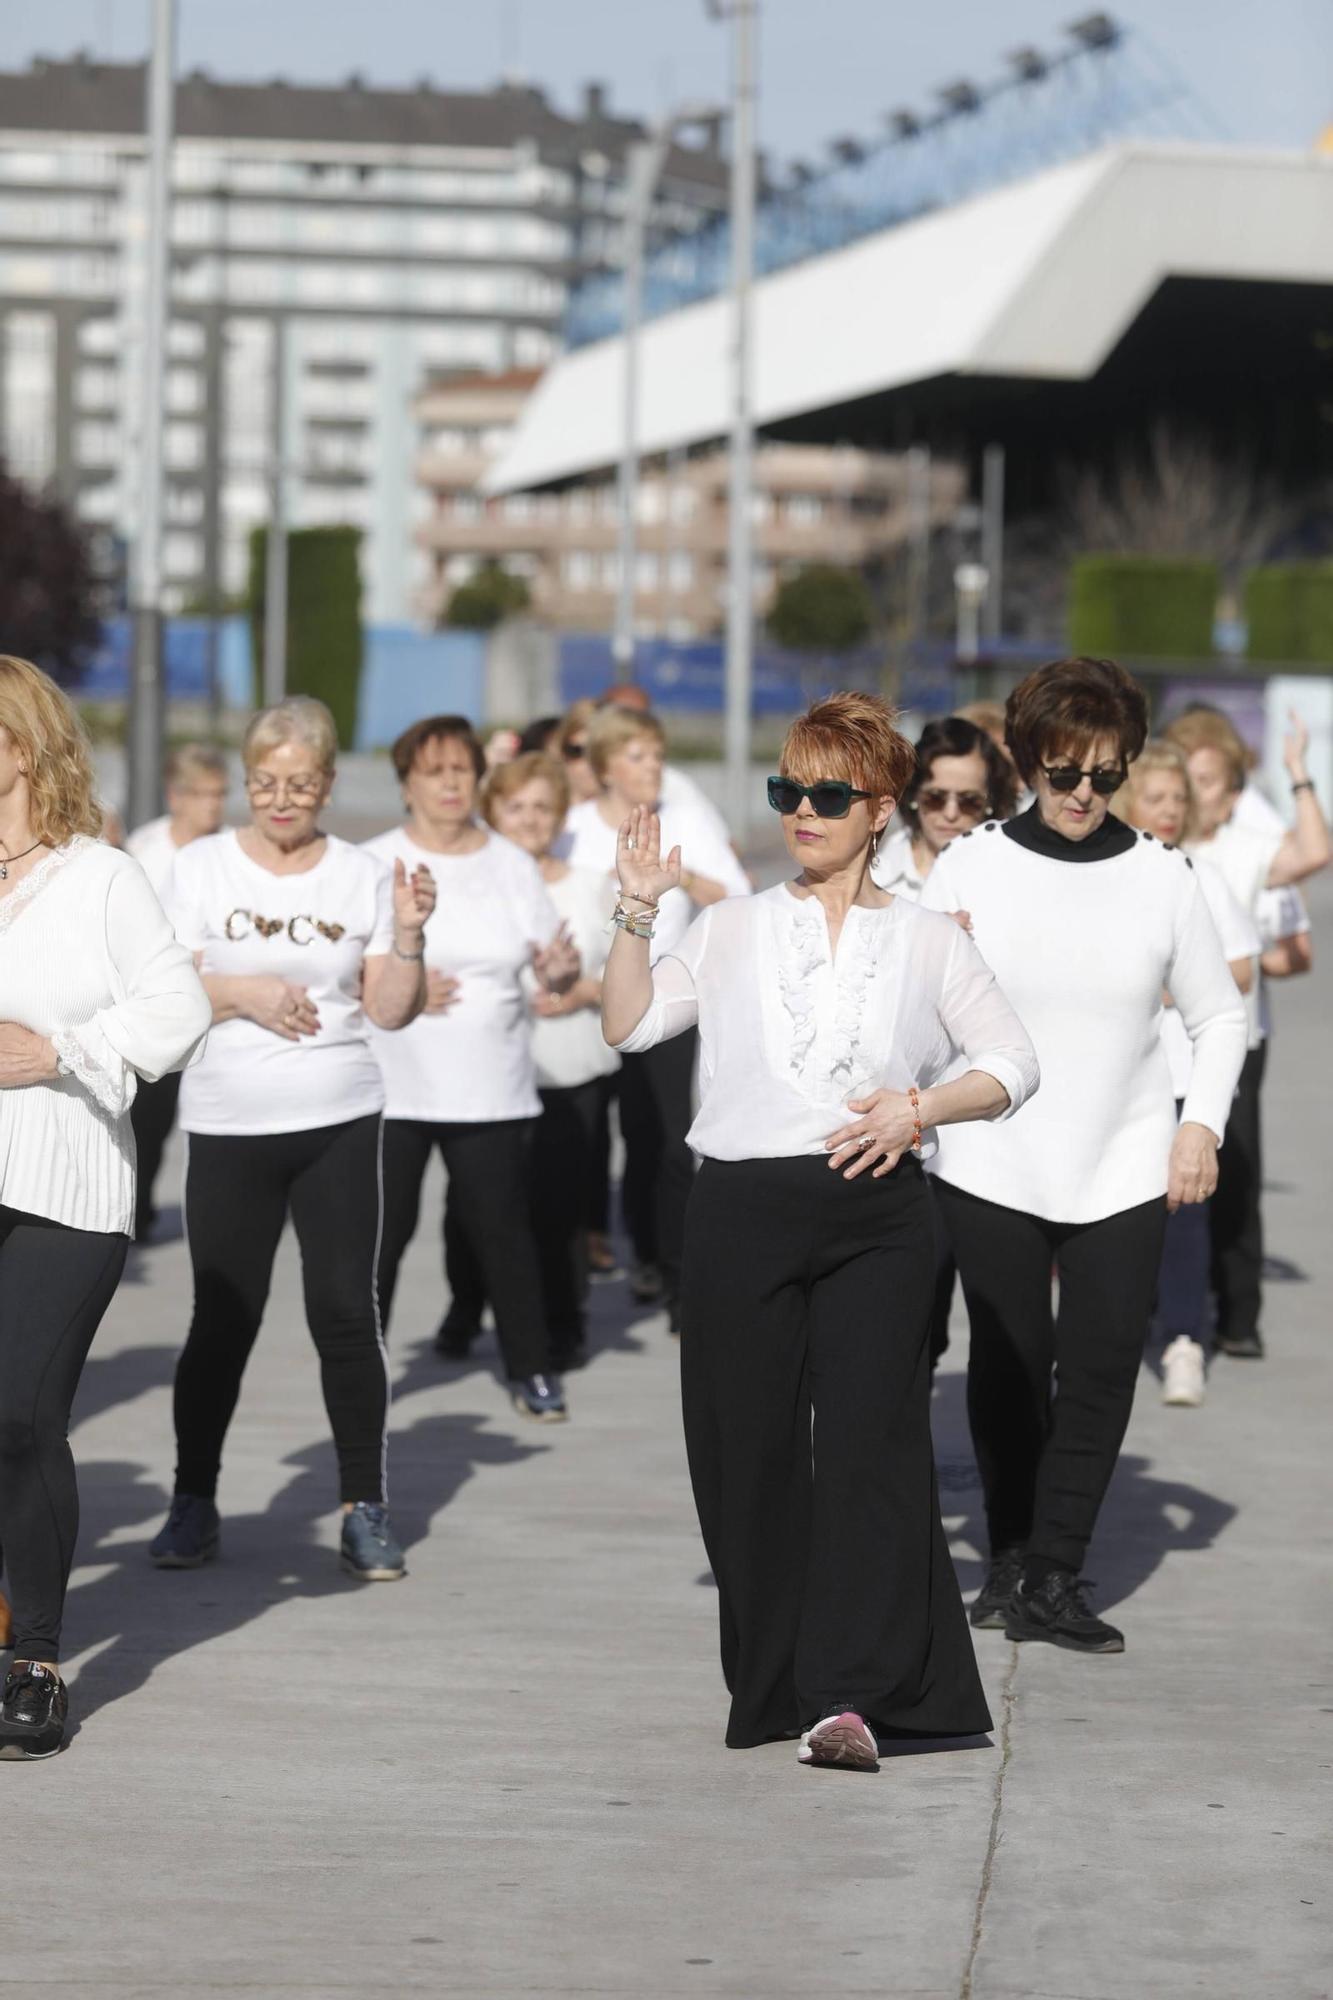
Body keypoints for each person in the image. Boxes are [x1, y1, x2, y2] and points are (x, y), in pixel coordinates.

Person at [603, 691, 1040, 1769]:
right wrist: (633, 910)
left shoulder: (931, 938)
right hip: (742, 1210)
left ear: (879, 807)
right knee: (742, 1456)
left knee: (867, 1452)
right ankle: (780, 1680)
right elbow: (628, 1022)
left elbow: (1012, 1063)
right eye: (786, 790)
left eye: (826, 793)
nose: (802, 809)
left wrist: (918, 1107)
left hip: (877, 1214)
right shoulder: (733, 924)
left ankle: (849, 1693)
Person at [921, 658, 1248, 1654]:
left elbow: (1219, 1010)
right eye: (1064, 772)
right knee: (1013, 1361)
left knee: (1102, 1368)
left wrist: (1202, 1124)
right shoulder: (969, 864)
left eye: (1105, 775)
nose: (1082, 795)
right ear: (1027, 762)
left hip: (1125, 1158)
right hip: (990, 1160)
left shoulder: (1161, 875)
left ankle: (1054, 1570)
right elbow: (916, 998)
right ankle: (1012, 1551)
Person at [148, 697, 434, 1585]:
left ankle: (363, 1507)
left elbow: (390, 1007)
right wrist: (245, 993)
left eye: (299, 785)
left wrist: (414, 937)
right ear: (244, 781)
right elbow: (160, 984)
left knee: (346, 1315)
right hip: (230, 1121)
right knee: (222, 1318)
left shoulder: (363, 872)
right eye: (264, 783)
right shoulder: (196, 867)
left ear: (327, 784)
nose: (280, 800)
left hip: (339, 1118)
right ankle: (193, 1501)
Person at [0, 655, 209, 1760]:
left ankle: (37, 1660)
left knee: (24, 1413)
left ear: (22, 749)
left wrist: (62, 1052)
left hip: (65, 1183)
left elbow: (176, 1010)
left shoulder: (101, 877)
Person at [365, 715, 579, 1422]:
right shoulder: (371, 862)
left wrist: (559, 968)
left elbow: (552, 958)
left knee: (502, 1235)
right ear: (406, 784)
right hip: (393, 1089)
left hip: (490, 1087)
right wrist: (406, 990)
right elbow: (340, 976)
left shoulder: (509, 864)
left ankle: (531, 1368)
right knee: (381, 1238)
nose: (452, 783)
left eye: (462, 769)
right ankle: (362, 1374)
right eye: (435, 771)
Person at [563, 703, 750, 1331]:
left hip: (665, 999)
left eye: (658, 756)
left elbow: (739, 898)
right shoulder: (574, 828)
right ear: (606, 767)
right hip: (581, 1003)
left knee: (669, 1141)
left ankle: (673, 1275)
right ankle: (598, 1270)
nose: (653, 769)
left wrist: (684, 877)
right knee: (593, 1144)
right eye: (638, 756)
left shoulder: (686, 818)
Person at [1163, 705, 1330, 1359]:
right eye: (1185, 779)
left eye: (1208, 781)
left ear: (1230, 786)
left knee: (1229, 1175)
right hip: (1155, 1042)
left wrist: (1296, 773)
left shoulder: (1241, 847)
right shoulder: (1151, 844)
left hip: (1234, 1039)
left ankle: (1235, 1314)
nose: (1195, 795)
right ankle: (1167, 1306)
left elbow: (1312, 853)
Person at [1111, 741, 1260, 1407]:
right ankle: (1105, 1340)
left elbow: (1241, 968)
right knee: (1110, 1216)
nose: (1169, 811)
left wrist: (1171, 986)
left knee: (1180, 1214)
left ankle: (1181, 1341)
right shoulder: (1102, 875)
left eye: (1179, 798)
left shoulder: (1200, 874)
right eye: (1156, 798)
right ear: (1128, 800)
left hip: (1180, 1076)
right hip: (1108, 1078)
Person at [872, 716, 1019, 1366]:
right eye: (936, 798)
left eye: (970, 802)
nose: (951, 814)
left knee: (1005, 1322)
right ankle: (907, 1460)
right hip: (901, 1124)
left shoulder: (1013, 873)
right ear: (911, 797)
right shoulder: (870, 868)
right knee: (909, 1316)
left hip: (994, 1127)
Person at [481, 752, 619, 1369]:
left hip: (572, 1072)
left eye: (542, 807)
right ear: (493, 812)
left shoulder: (591, 885)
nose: (530, 819)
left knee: (562, 1212)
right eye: (516, 807)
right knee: (486, 1210)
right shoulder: (475, 883)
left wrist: (580, 992)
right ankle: (470, 1311)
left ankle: (564, 1325)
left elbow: (627, 977)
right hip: (488, 1076)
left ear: (561, 814)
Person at [126, 744, 230, 1241]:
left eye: (220, 794)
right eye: (204, 794)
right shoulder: (144, 849)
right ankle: (136, 1210)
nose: (214, 805)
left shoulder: (230, 850)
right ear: (176, 795)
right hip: (154, 1005)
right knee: (149, 1120)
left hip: (220, 1005)